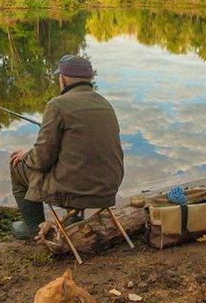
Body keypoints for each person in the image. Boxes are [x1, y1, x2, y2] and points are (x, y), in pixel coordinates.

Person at [9, 54, 124, 239]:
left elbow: (41, 160)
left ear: (62, 79)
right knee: (75, 161)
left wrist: (25, 155)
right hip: (108, 190)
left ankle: (33, 227)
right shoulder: (105, 104)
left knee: (17, 166)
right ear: (88, 79)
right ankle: (74, 218)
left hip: (76, 191)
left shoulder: (57, 105)